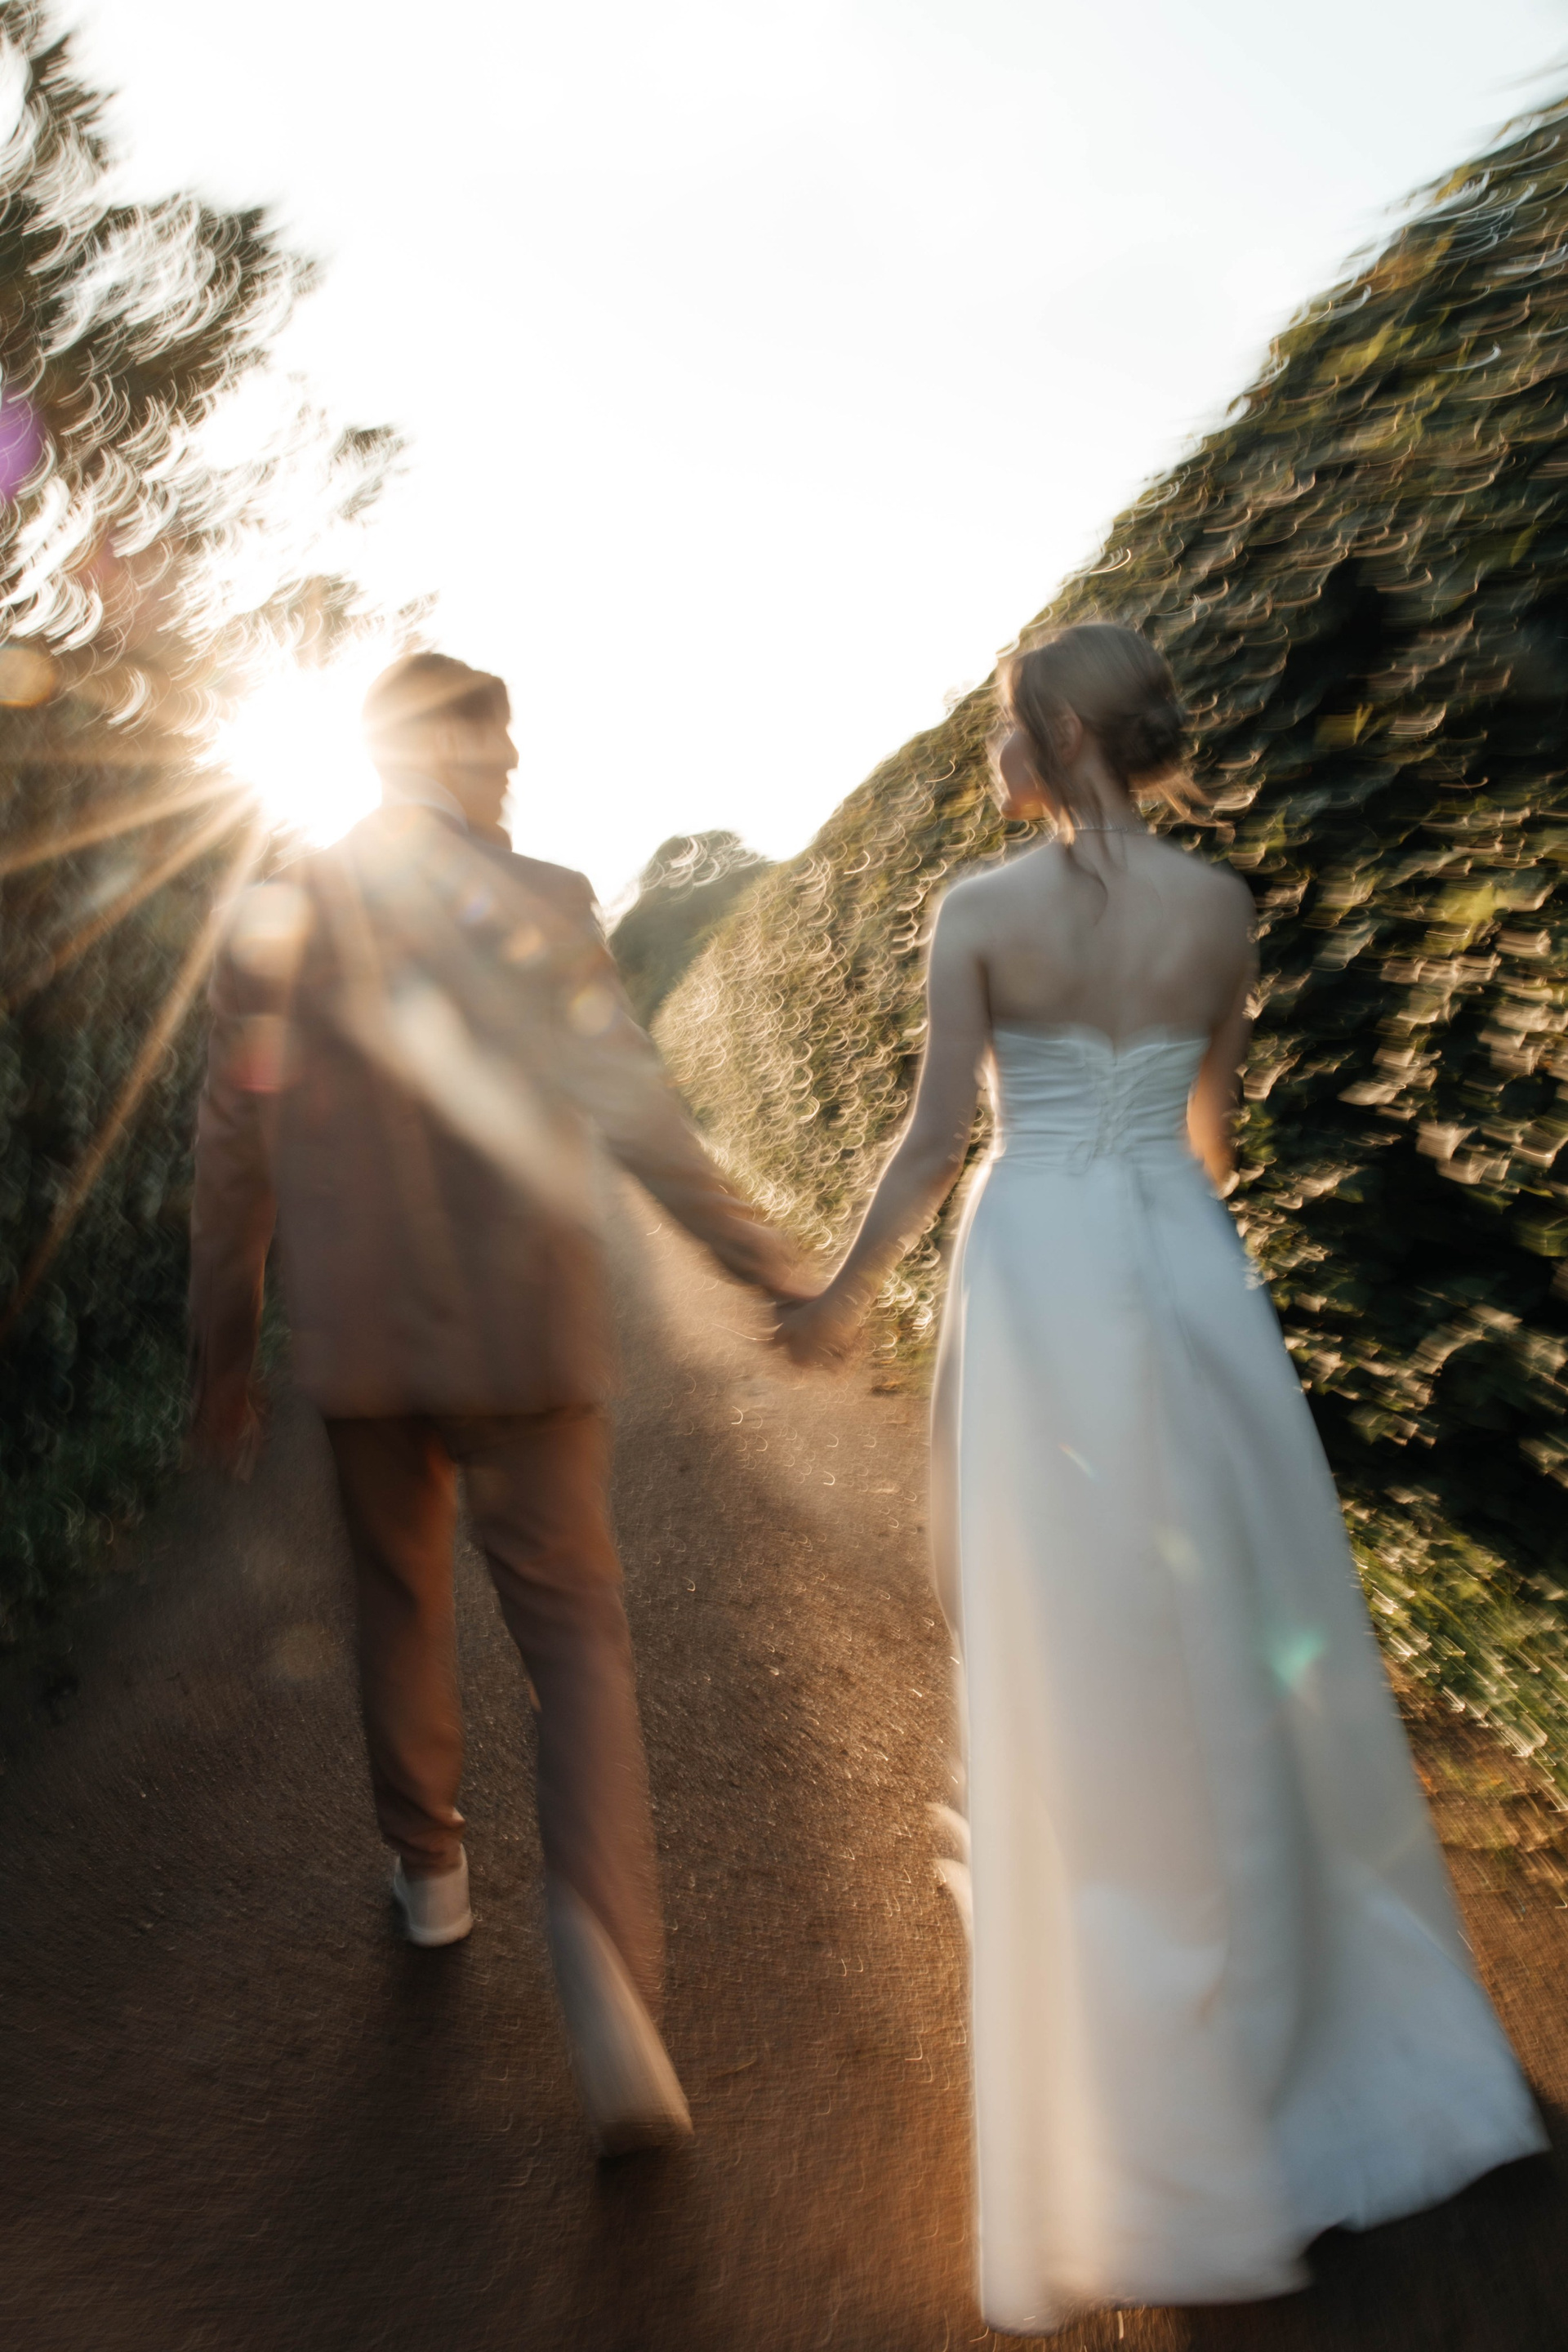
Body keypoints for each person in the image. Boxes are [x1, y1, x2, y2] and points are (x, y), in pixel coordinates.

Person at [777, 622, 1546, 2332]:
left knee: (1083, 1648)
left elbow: (933, 1138)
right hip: (1189, 1274)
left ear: (1056, 740)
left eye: (1003, 727)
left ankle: (1146, 2062)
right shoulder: (1221, 908)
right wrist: (1161, 1213)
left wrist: (837, 1297)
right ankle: (1315, 2019)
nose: (991, 756)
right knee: (1240, 1629)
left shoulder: (978, 912)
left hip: (1041, 1277)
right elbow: (1213, 1134)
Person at [189, 651, 800, 2155]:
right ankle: (603, 1962)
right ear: (441, 753)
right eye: (495, 745)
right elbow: (632, 1104)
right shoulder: (545, 901)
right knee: (577, 1643)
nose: (513, 767)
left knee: (398, 1602)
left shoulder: (278, 919)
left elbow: (231, 1159)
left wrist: (223, 1359)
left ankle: (432, 1880)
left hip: (363, 1348)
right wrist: (755, 1256)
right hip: (527, 1335)